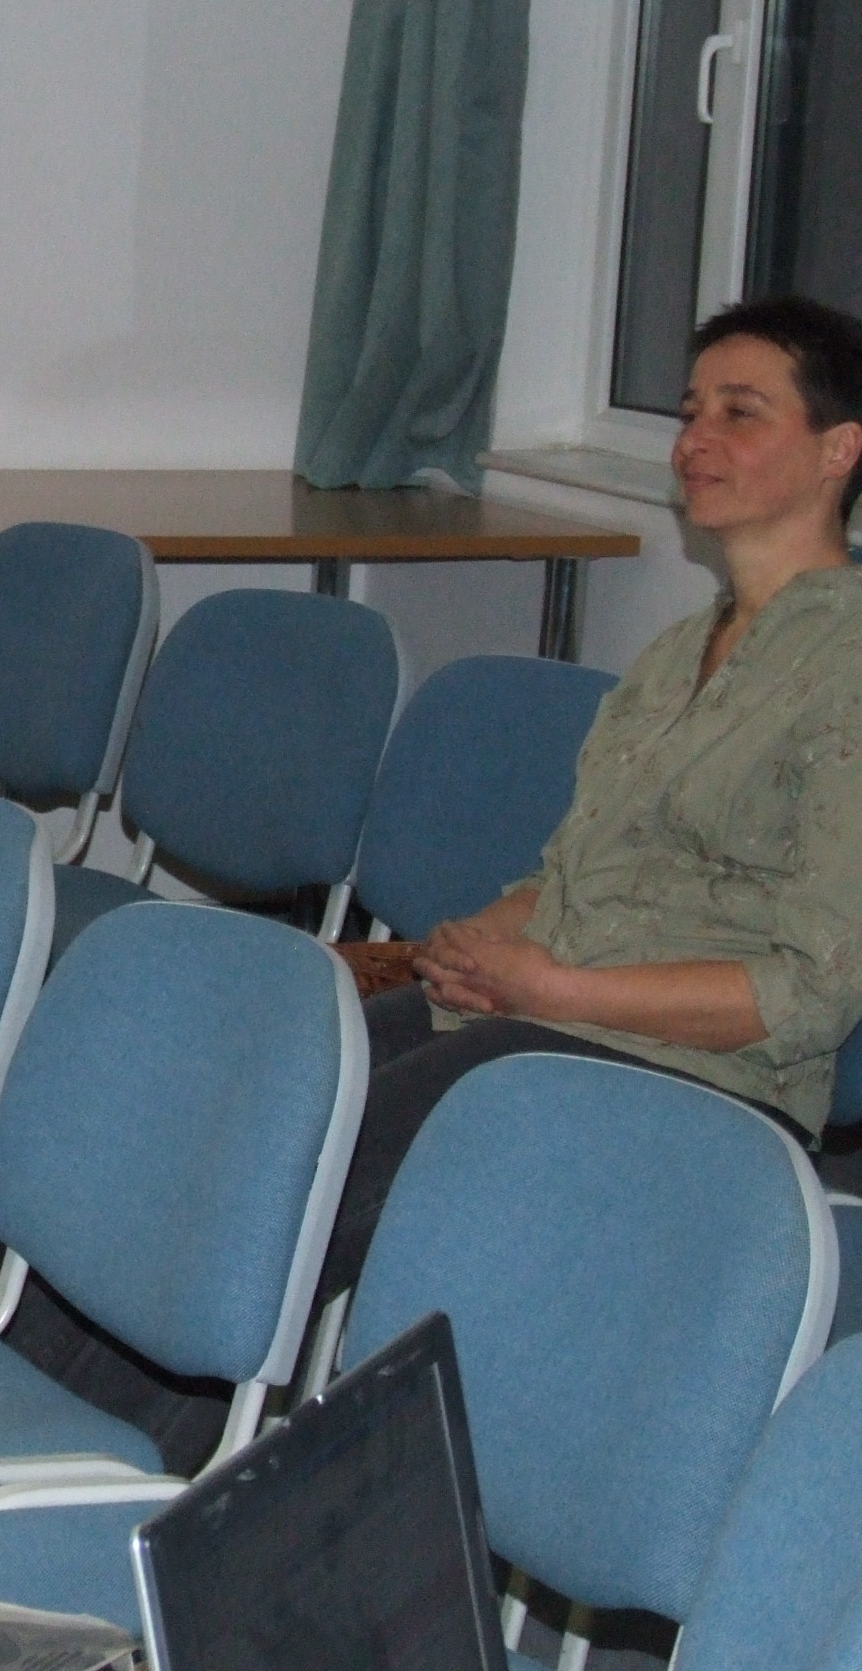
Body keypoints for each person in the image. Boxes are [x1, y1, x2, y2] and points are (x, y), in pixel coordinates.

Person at [317, 291, 862, 1294]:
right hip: (545, 1019)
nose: (697, 440)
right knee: (282, 1082)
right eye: (690, 413)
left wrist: (551, 992)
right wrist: (478, 945)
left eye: (741, 413)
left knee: (297, 1198)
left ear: (839, 450)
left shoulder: (847, 663)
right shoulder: (676, 653)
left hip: (703, 1081)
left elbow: (809, 993)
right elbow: (573, 872)